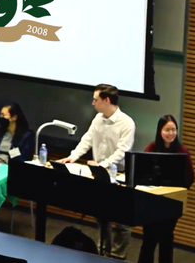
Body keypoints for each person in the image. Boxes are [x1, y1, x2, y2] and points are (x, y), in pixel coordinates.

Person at [58, 84, 135, 260]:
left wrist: (103, 164)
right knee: (101, 214)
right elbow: (87, 139)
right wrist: (73, 156)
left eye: (95, 99)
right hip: (100, 174)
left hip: (120, 175)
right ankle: (102, 253)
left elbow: (122, 151)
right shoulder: (98, 119)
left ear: (106, 100)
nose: (92, 103)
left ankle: (117, 256)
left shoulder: (127, 122)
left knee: (122, 220)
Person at [137, 115, 195, 263]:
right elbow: (142, 171)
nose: (171, 133)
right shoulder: (152, 147)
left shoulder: (182, 151)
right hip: (152, 201)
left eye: (174, 130)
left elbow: (190, 177)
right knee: (149, 240)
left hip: (172, 201)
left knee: (166, 240)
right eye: (167, 130)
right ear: (160, 131)